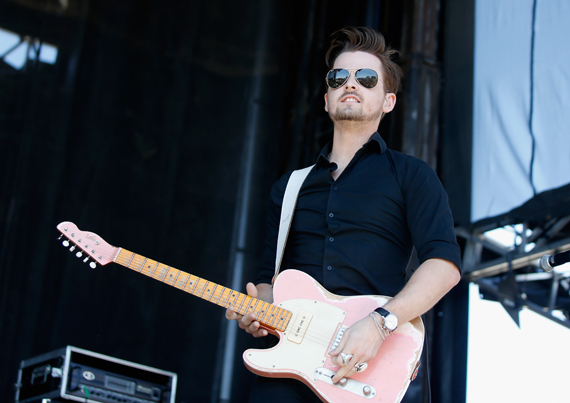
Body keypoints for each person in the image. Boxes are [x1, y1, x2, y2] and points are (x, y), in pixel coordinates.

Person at [226, 26, 462, 402]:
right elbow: (269, 281)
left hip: (366, 364)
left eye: (366, 79)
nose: (350, 84)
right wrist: (258, 310)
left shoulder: (411, 175)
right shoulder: (289, 188)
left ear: (388, 101)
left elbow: (444, 265)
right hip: (288, 370)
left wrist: (381, 323)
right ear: (326, 98)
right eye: (339, 77)